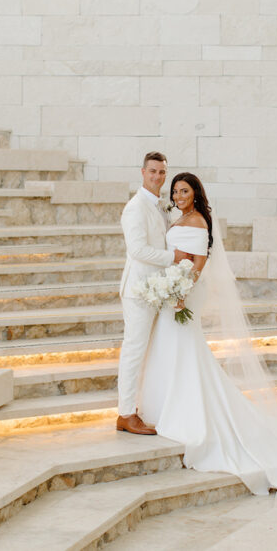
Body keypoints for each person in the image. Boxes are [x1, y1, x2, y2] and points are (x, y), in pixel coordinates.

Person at [135, 172, 277, 495]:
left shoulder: (197, 222)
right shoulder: (180, 218)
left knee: (183, 344)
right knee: (170, 345)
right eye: (175, 191)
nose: (178, 196)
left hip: (184, 292)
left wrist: (181, 290)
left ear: (195, 194)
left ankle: (186, 408)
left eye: (184, 190)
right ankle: (163, 402)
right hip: (172, 290)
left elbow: (199, 262)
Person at [115, 151, 187, 435]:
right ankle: (125, 413)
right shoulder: (135, 207)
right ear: (142, 172)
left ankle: (145, 407)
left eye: (162, 172)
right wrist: (174, 256)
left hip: (157, 289)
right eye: (153, 171)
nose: (158, 176)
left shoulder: (161, 205)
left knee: (150, 352)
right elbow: (138, 250)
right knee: (134, 351)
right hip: (138, 290)